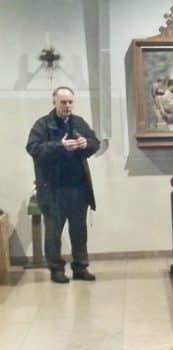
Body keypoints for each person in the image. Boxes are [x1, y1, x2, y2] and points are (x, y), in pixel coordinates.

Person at [26, 86, 101, 284]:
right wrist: (60, 146)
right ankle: (56, 269)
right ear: (54, 102)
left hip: (78, 188)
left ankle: (80, 267)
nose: (67, 106)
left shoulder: (78, 122)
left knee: (79, 231)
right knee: (53, 233)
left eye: (70, 102)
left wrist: (86, 144)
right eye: (63, 102)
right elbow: (33, 148)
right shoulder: (43, 124)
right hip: (53, 189)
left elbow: (95, 142)